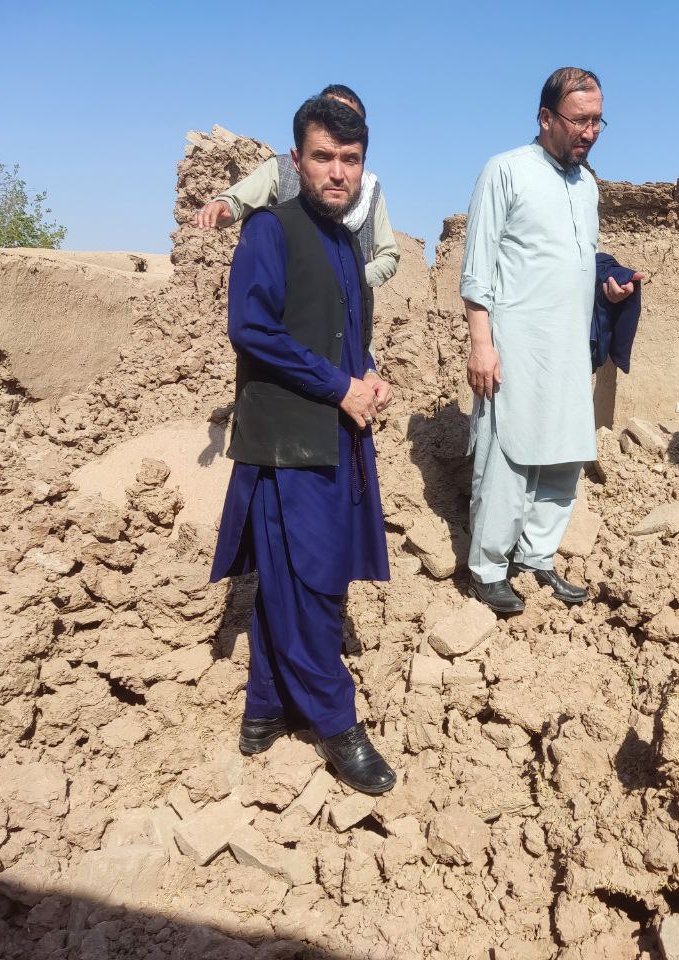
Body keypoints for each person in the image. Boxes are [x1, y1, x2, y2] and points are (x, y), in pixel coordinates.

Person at [210, 95, 396, 794]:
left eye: (350, 159)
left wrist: (366, 374)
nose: (337, 172)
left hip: (335, 436)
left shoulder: (347, 244)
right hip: (288, 443)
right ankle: (336, 723)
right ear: (297, 160)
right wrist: (338, 386)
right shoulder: (270, 229)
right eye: (323, 157)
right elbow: (252, 329)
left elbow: (346, 336)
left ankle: (264, 708)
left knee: (294, 579)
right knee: (312, 584)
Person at [461, 67, 641, 615]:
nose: (590, 132)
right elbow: (477, 270)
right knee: (508, 457)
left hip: (568, 348)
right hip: (516, 345)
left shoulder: (588, 186)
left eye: (598, 121)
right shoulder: (505, 171)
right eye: (579, 120)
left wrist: (607, 293)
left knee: (564, 456)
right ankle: (489, 569)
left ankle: (536, 557)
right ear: (545, 118)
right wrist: (482, 343)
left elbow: (576, 261)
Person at [194, 84, 400, 289]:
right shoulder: (281, 169)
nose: (337, 174)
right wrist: (224, 207)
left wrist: (354, 278)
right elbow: (240, 200)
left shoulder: (370, 189)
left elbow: (388, 255)